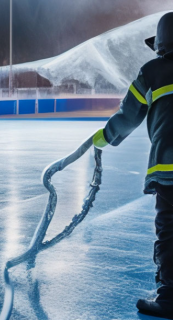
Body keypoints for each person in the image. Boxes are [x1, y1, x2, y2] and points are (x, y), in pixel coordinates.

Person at [93, 12, 173, 319]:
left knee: (169, 232)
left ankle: (169, 298)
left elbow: (128, 116)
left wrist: (104, 138)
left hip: (168, 170)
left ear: (160, 44)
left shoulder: (152, 72)